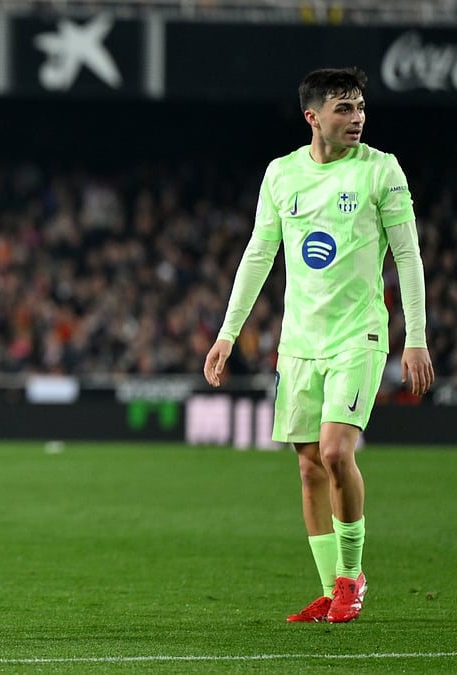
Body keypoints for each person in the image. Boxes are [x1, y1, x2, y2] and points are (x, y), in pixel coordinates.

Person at [203, 67, 433, 623]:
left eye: (360, 108)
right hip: (300, 342)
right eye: (343, 109)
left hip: (359, 335)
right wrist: (227, 334)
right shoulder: (282, 175)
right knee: (308, 468)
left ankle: (352, 579)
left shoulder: (382, 171)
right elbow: (258, 255)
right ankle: (332, 589)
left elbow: (408, 255)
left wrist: (417, 338)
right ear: (313, 117)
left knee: (335, 452)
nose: (356, 118)